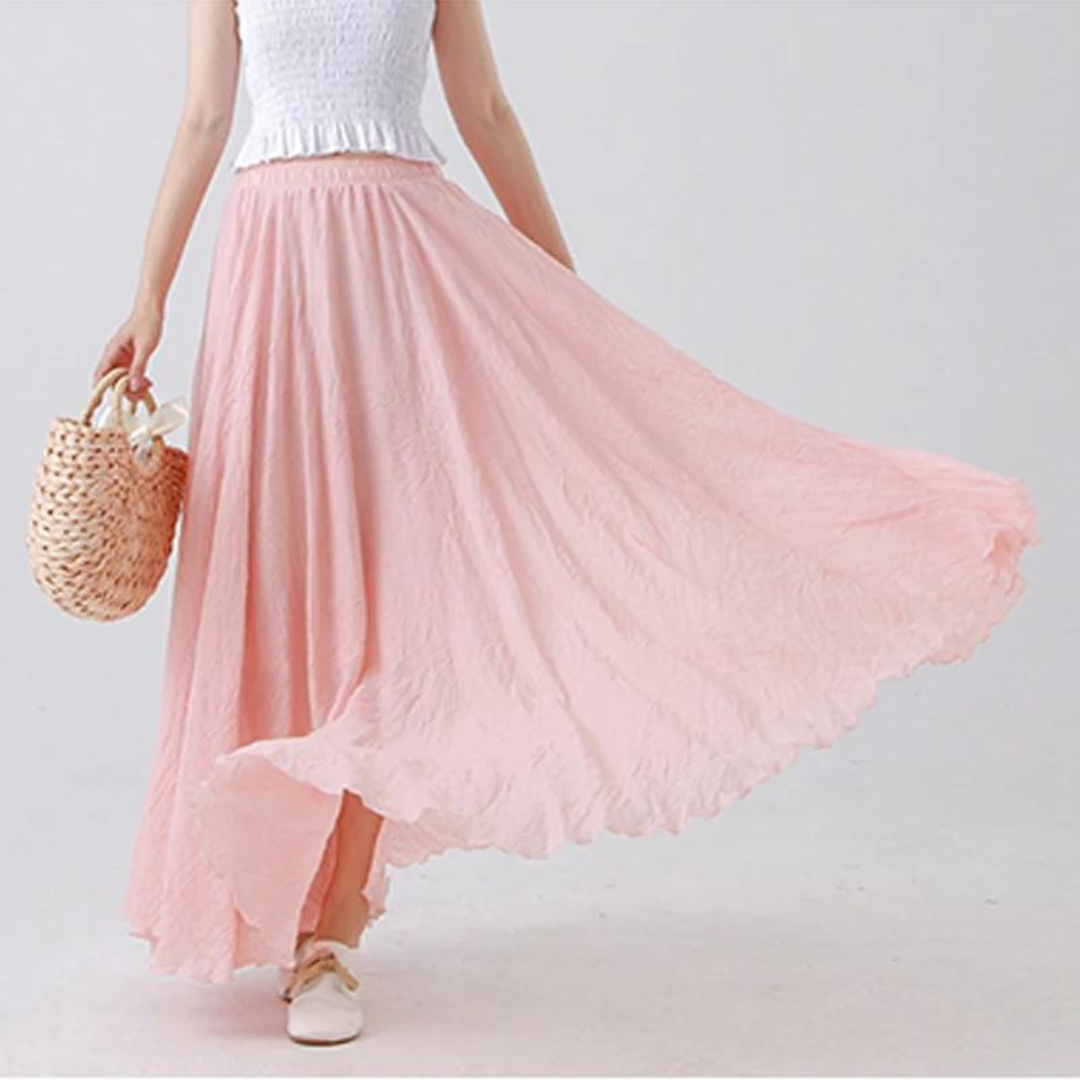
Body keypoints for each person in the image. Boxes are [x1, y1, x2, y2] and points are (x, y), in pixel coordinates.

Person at [97, 0, 1038, 1047]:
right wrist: (150, 297)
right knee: (277, 576)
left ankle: (335, 929)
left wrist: (556, 282)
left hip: (403, 274)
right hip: (273, 271)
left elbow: (487, 109)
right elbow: (203, 116)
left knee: (395, 597)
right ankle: (276, 895)